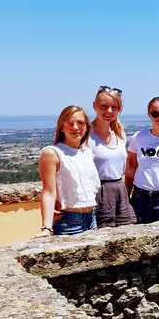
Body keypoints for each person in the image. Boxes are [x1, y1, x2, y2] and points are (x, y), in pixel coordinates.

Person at [37, 106, 100, 236]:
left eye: (80, 123)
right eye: (70, 123)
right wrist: (46, 228)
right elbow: (48, 192)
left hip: (92, 219)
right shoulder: (52, 153)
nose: (76, 127)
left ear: (87, 127)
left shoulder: (87, 152)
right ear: (62, 127)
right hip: (69, 222)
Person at [90, 86, 136, 227]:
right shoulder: (86, 134)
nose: (109, 111)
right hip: (98, 192)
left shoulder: (119, 133)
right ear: (94, 106)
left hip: (120, 189)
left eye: (114, 107)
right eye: (104, 106)